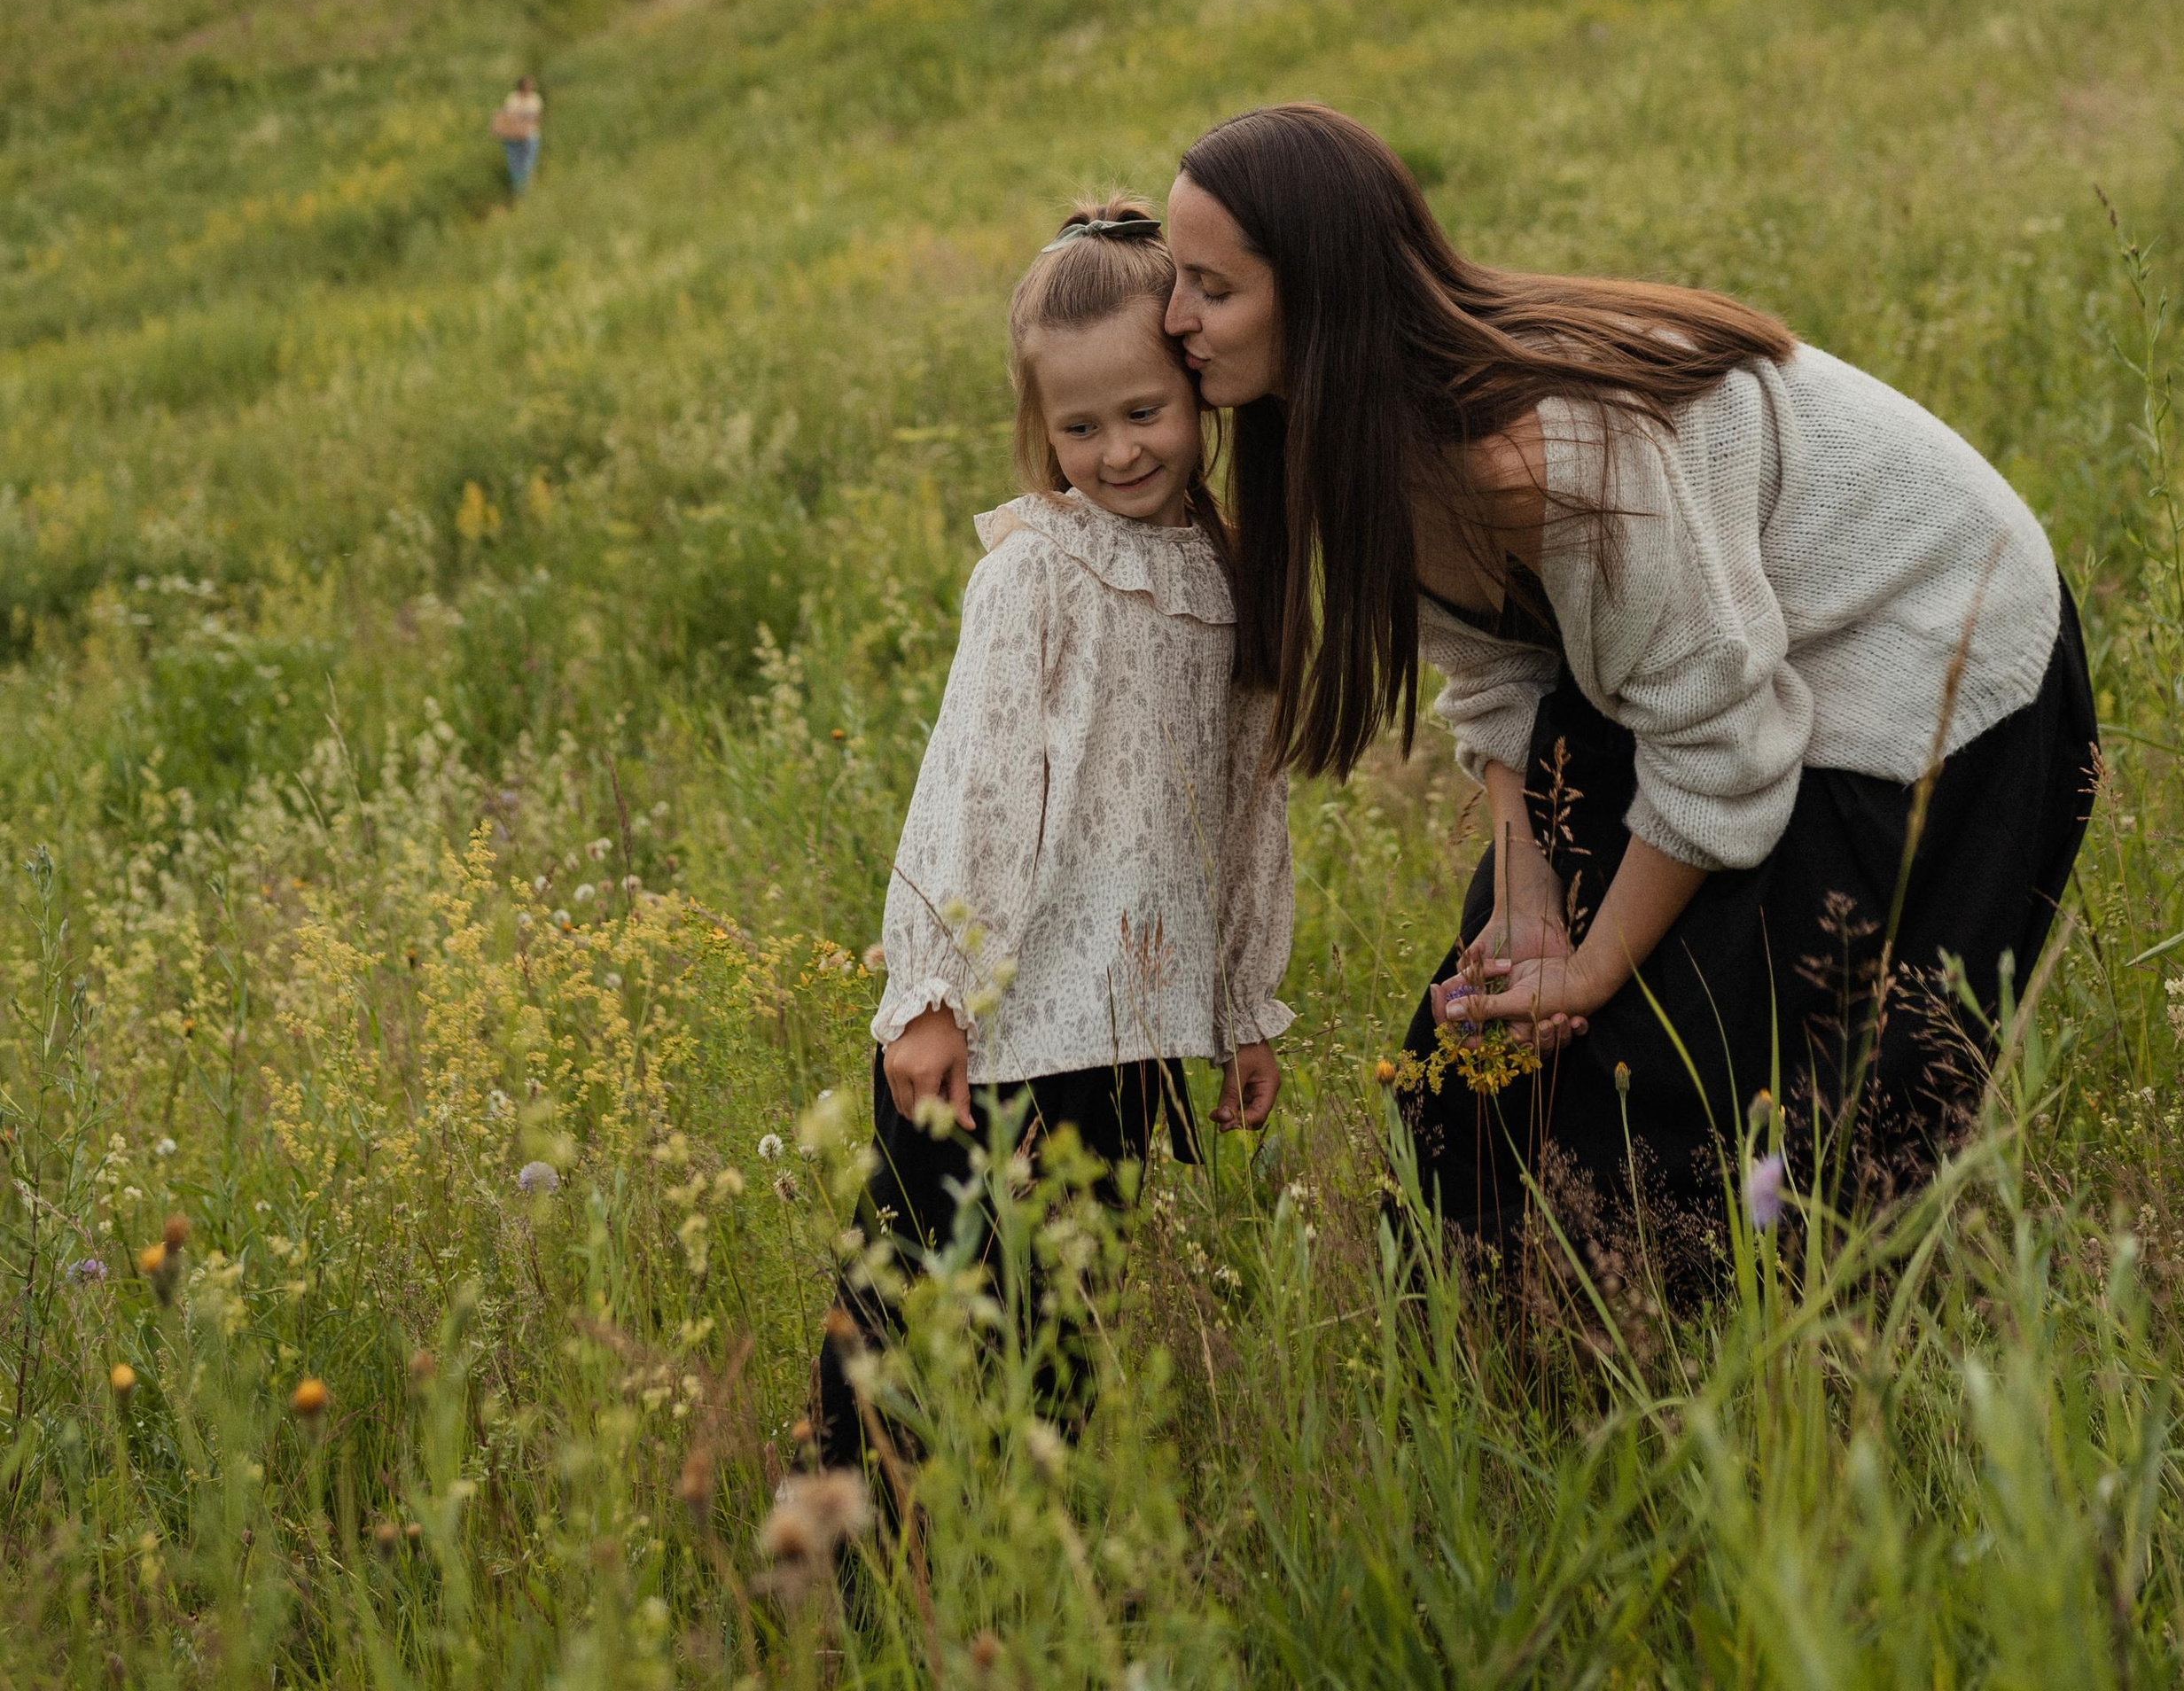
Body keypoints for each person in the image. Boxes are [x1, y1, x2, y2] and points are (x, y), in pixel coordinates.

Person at [1163, 102, 2096, 1259]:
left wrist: (1597, 965)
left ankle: (1765, 1388)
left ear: (1319, 291)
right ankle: (1510, 1360)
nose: (1174, 319)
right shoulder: (1362, 440)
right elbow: (1500, 668)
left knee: (1723, 1086)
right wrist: (1525, 889)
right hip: (1736, 678)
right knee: (1481, 1050)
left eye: (1211, 288)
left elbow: (1726, 751)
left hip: (1932, 672)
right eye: (1174, 280)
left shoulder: (1540, 460)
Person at [819, 197, 1293, 1469]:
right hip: (995, 1025)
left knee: (1062, 1313)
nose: (1119, 450)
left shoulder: (1240, 583)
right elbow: (968, 786)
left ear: (1200, 396)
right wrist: (929, 997)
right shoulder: (1033, 571)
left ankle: (1023, 1548)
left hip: (1129, 1031)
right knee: (908, 1302)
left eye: (1145, 413)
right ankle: (844, 1548)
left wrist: (1243, 1000)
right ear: (1042, 429)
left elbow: (1247, 806)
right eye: (1079, 427)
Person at [490, 76, 543, 197]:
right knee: (515, 165)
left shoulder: (535, 99)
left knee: (528, 163)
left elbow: (537, 118)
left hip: (530, 136)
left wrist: (523, 124)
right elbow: (508, 116)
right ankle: (518, 191)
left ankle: (529, 191)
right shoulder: (513, 98)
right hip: (513, 137)